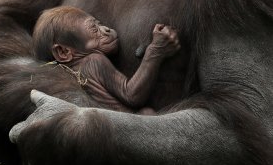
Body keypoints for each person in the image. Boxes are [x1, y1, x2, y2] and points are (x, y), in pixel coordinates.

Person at [32, 6, 181, 113]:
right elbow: (132, 95)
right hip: (121, 127)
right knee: (147, 113)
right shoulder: (93, 61)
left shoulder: (62, 75)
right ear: (63, 52)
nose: (106, 29)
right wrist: (155, 52)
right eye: (94, 29)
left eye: (100, 23)